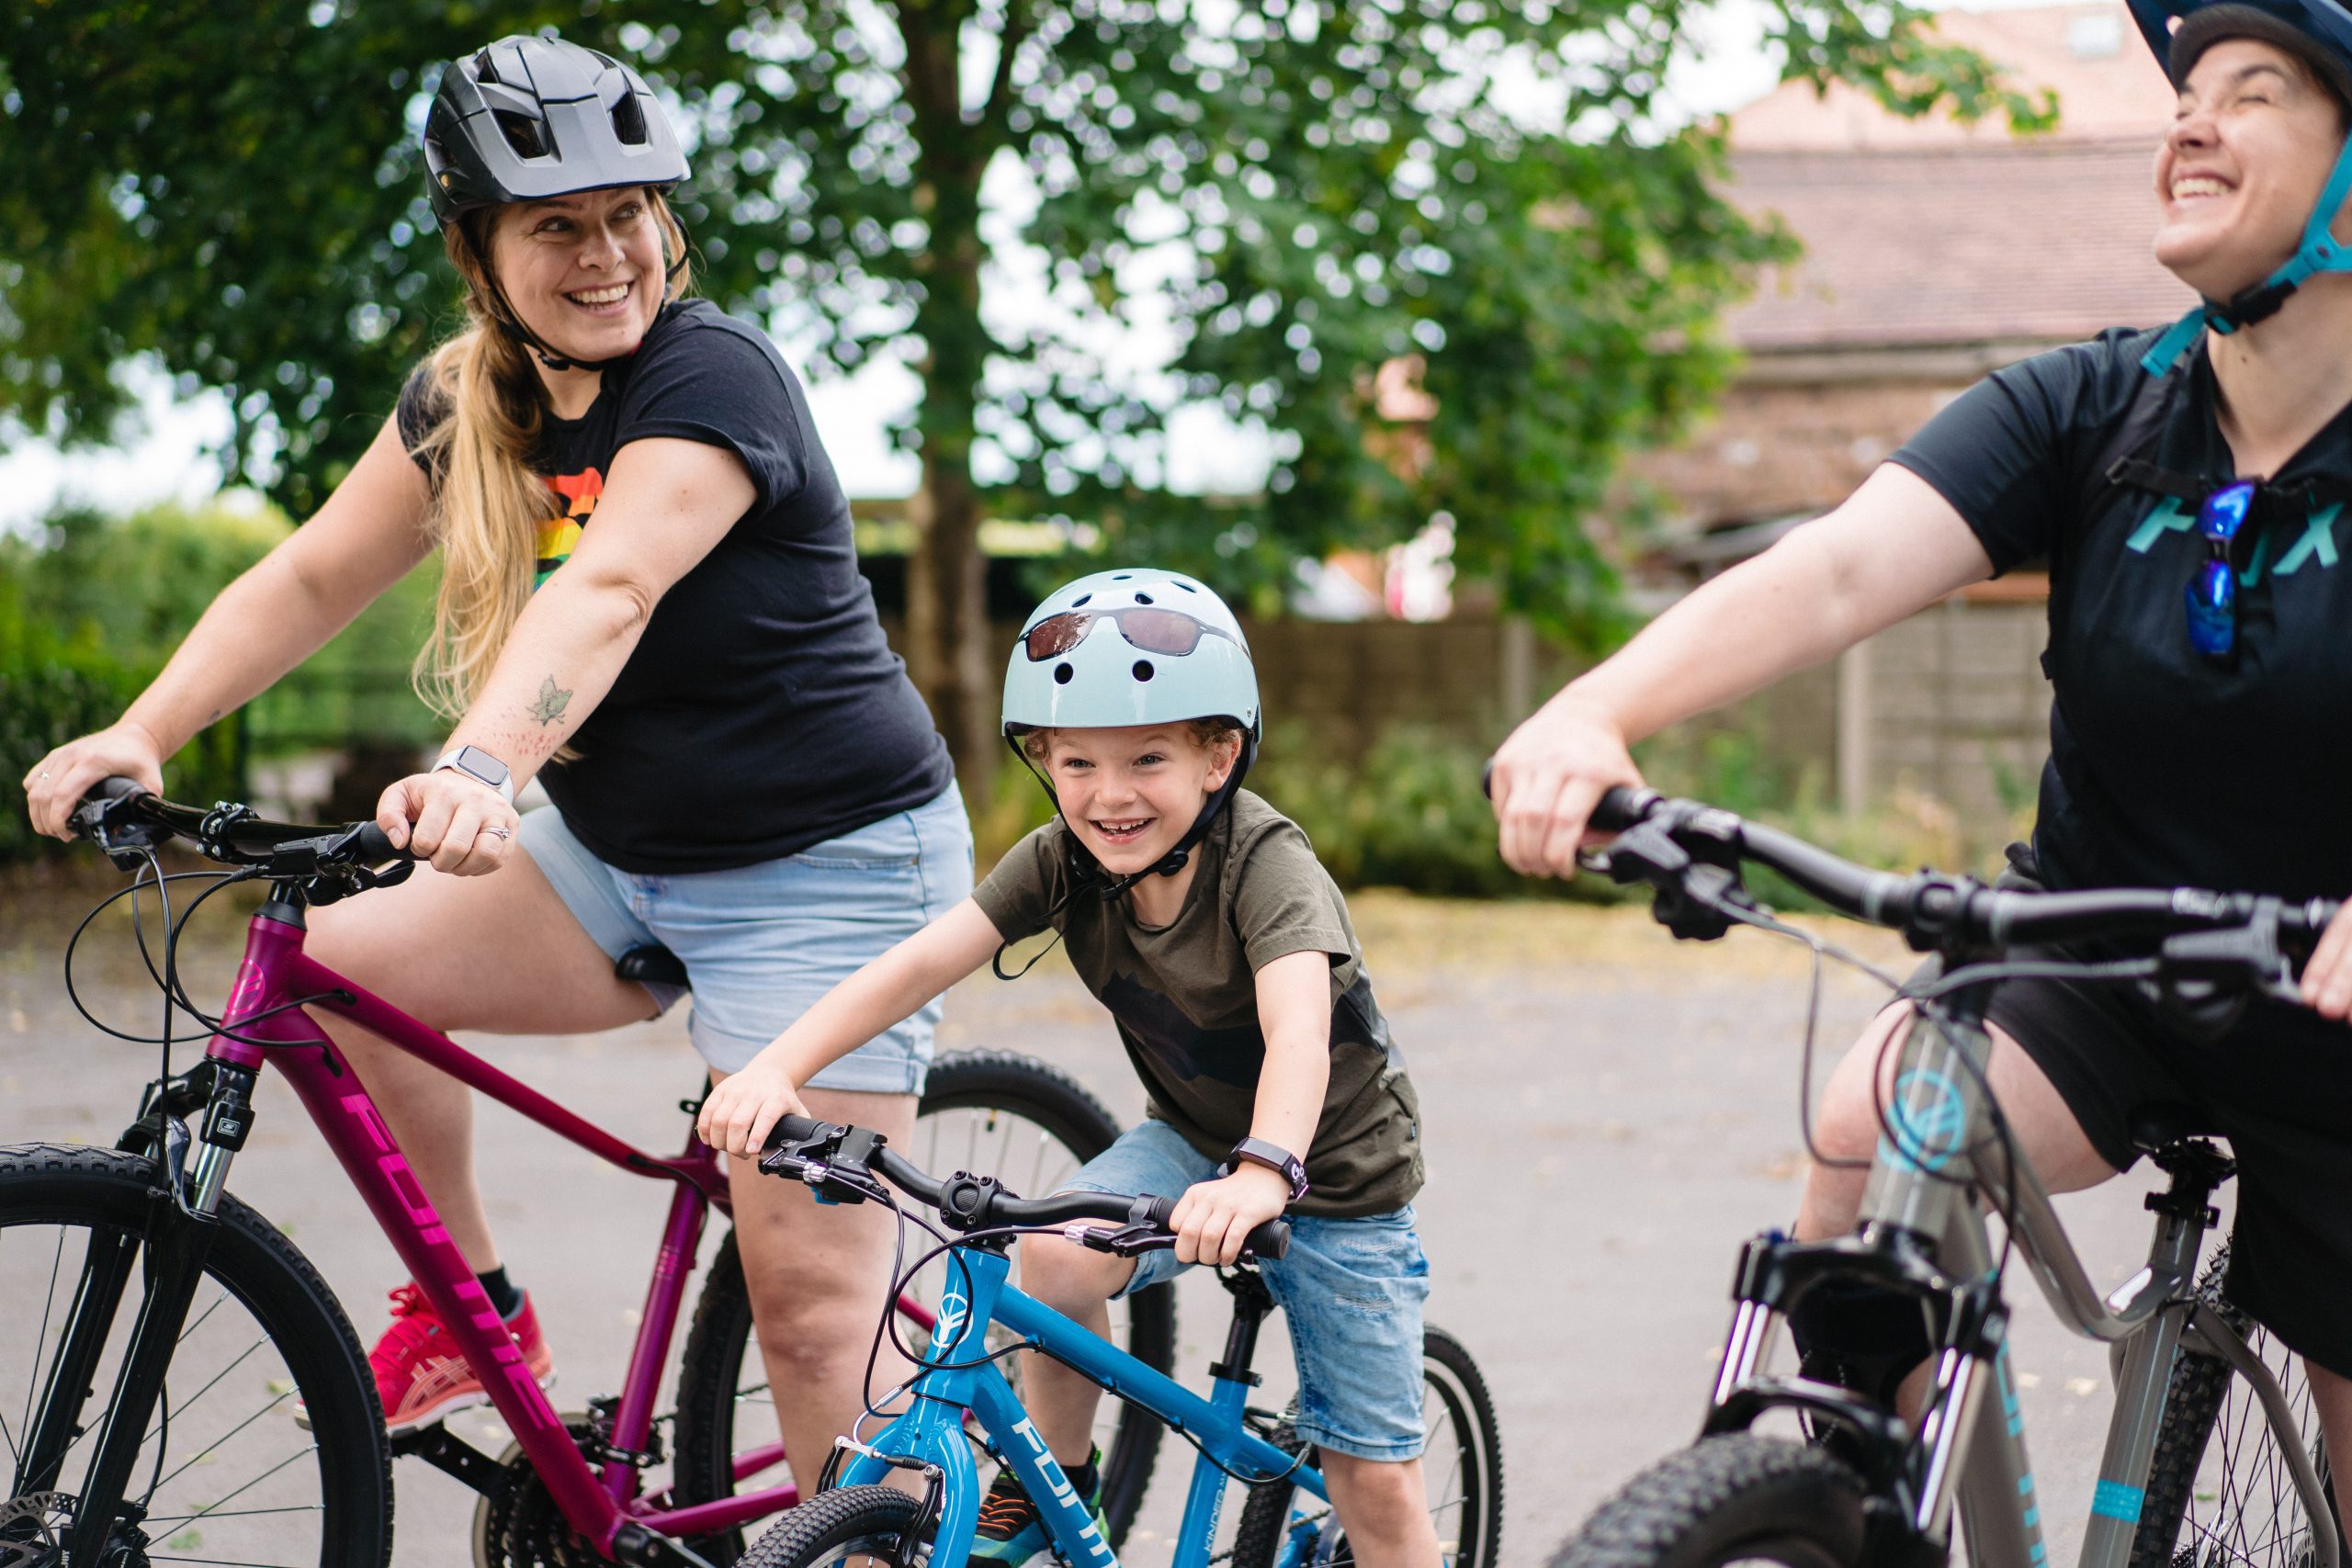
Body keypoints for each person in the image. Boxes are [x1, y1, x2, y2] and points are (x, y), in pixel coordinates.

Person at [18, 35, 970, 1485]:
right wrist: (145, 726)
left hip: (827, 872)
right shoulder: (467, 401)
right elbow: (305, 582)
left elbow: (609, 590)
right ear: (476, 247)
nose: (607, 254)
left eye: (628, 212)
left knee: (815, 1305)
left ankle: (892, 1519)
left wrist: (479, 768)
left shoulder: (713, 375)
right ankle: (474, 1306)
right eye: (555, 225)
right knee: (336, 968)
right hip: (618, 856)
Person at [1487, 0, 2352, 1470]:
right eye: (2186, 88)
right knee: (1876, 1120)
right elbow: (1830, 567)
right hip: (2098, 954)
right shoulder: (2093, 409)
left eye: (2256, 90)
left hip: (2338, 1023)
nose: (2190, 119)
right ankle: (1857, 1506)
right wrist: (1599, 706)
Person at [698, 570, 1440, 1568]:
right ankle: (1059, 1476)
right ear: (1044, 760)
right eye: (1078, 762)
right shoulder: (1061, 860)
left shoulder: (1267, 867)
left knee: (1371, 1480)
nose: (1111, 793)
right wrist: (776, 1069)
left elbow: (1299, 1032)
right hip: (1192, 1144)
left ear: (1218, 756)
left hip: (1335, 1177)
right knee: (1046, 1254)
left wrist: (1266, 1171)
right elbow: (917, 962)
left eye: (1148, 758)